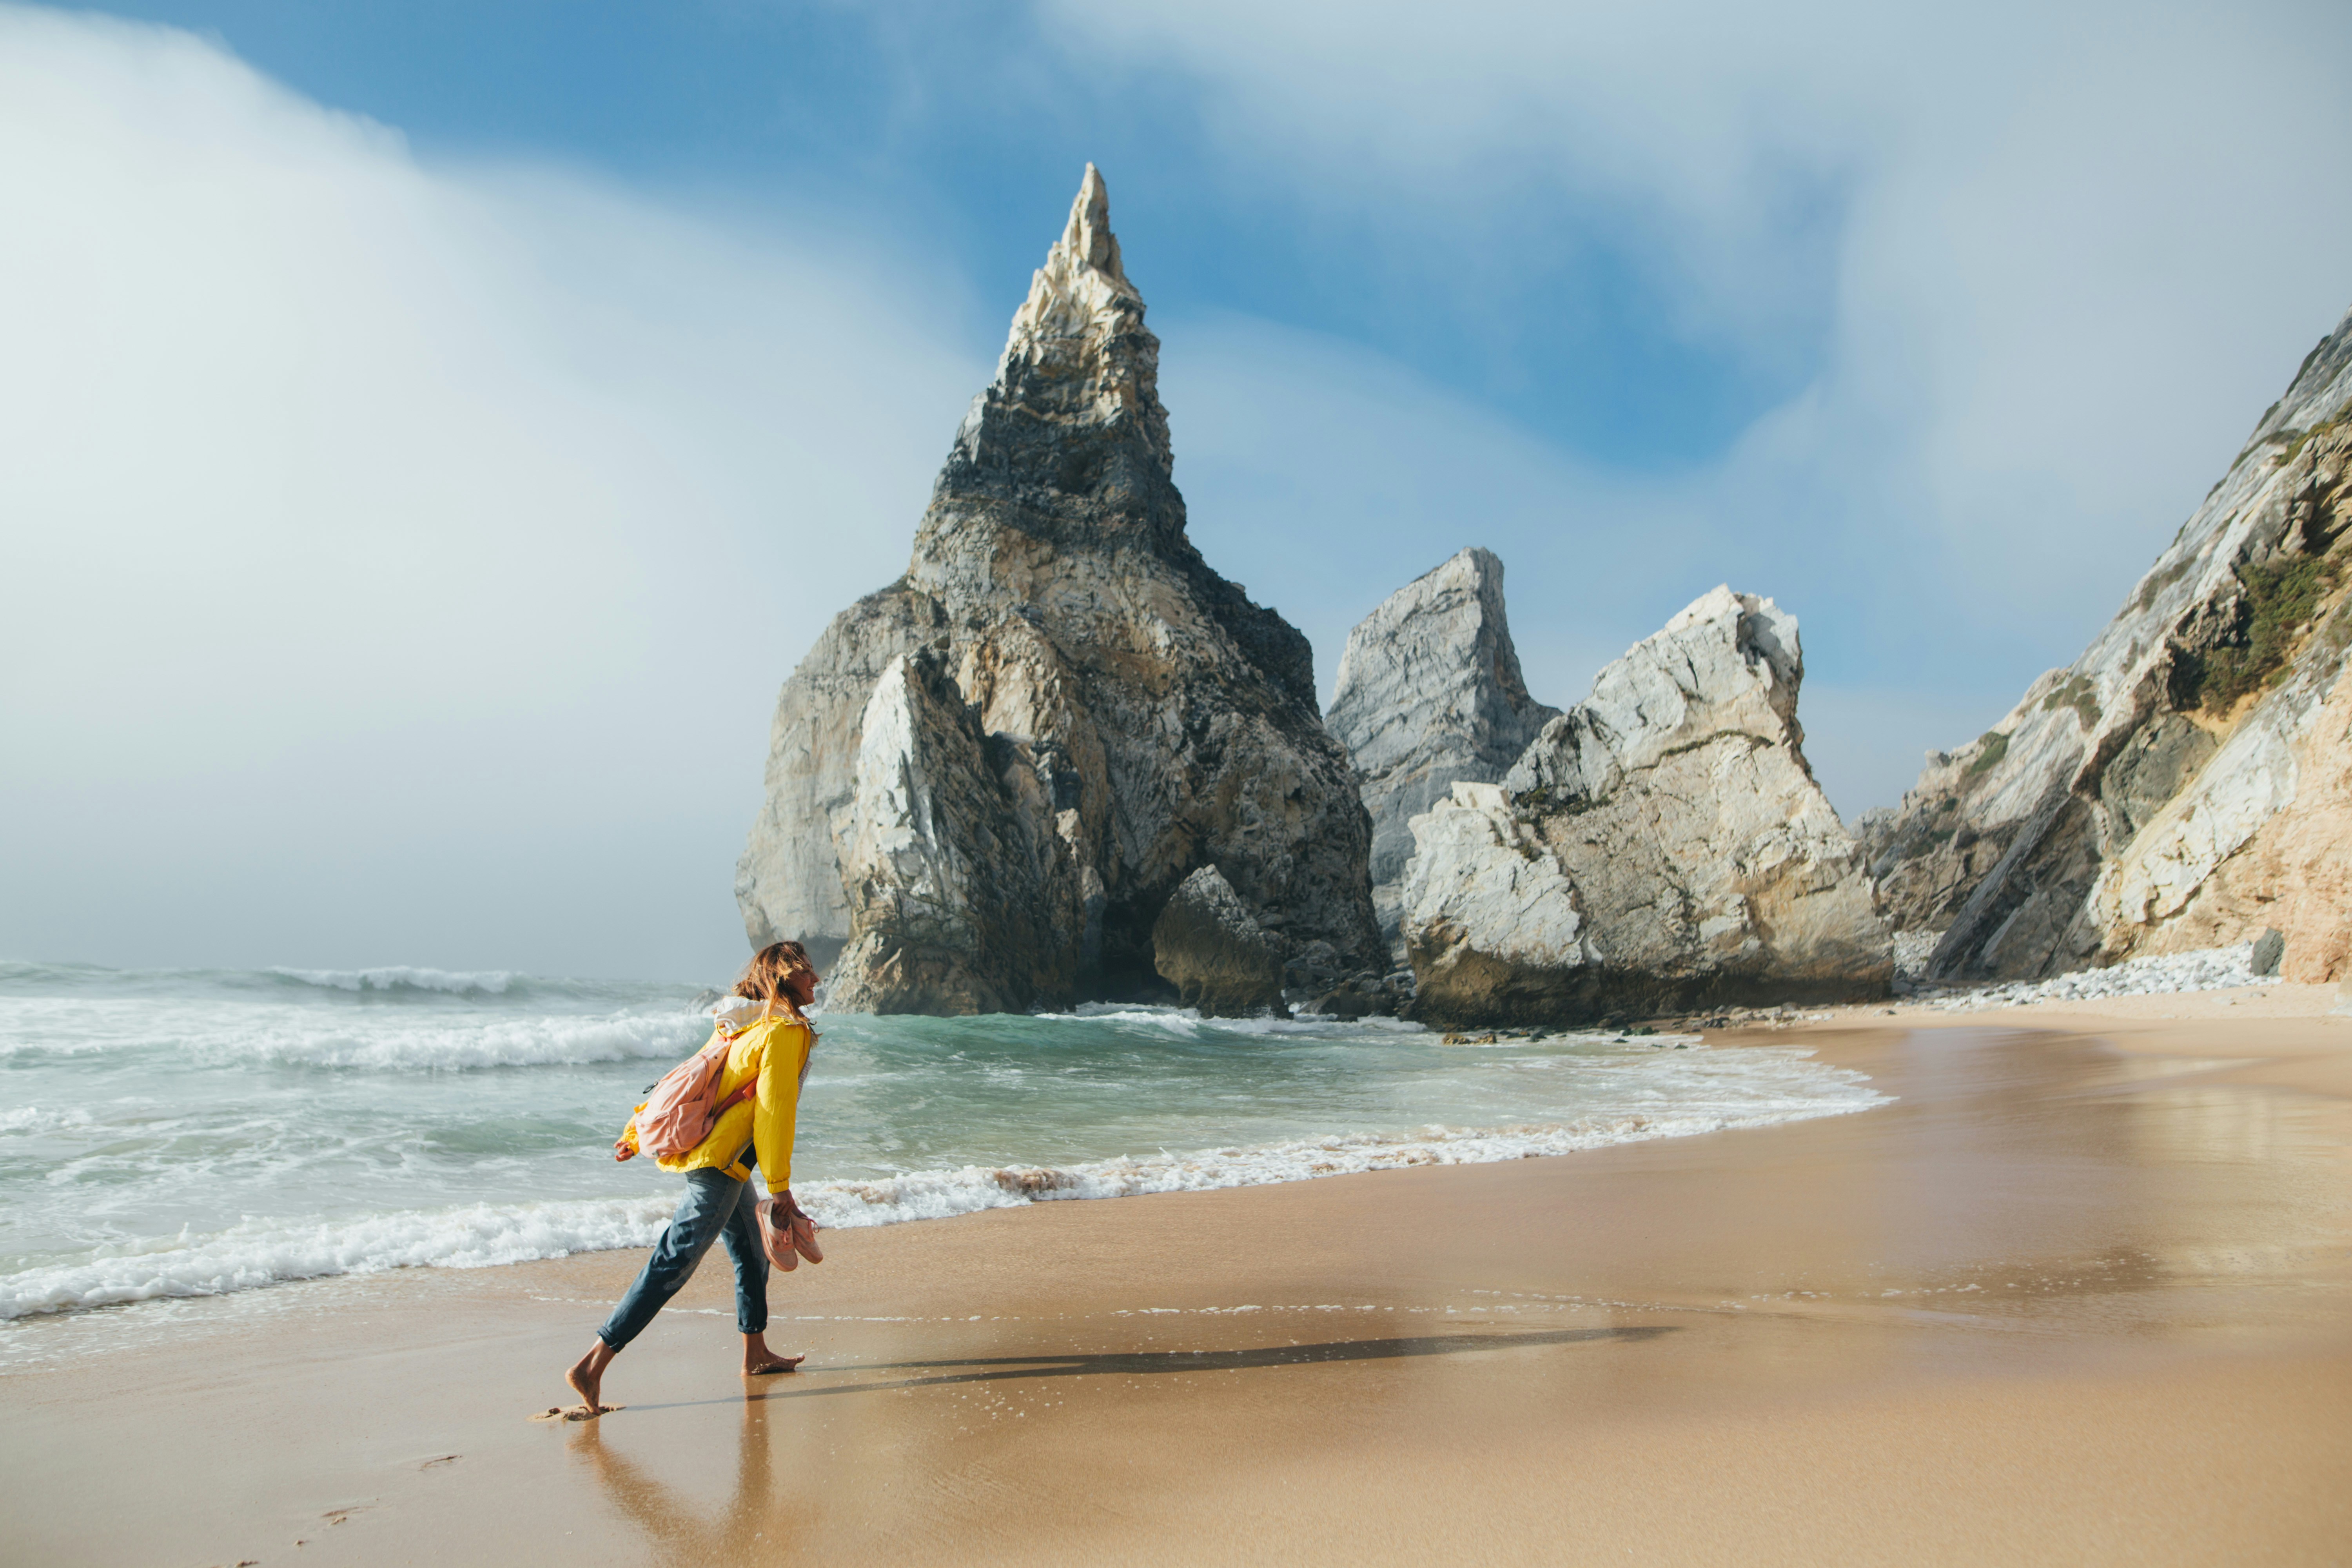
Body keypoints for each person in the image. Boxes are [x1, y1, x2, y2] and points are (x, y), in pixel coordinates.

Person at [562, 940, 821, 1419]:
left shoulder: (744, 1026)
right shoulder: (783, 1030)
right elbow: (774, 1111)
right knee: (674, 1260)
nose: (816, 979)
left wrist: (634, 1132)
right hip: (721, 1165)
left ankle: (756, 1353)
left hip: (724, 1162)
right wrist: (780, 1186)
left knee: (751, 1253)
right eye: (806, 971)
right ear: (783, 977)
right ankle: (592, 1365)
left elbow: (686, 1079)